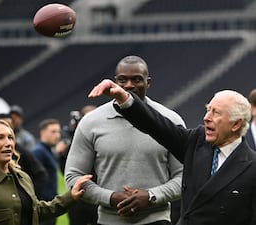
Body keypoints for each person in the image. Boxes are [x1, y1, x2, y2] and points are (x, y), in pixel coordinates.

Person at [88, 79, 256, 225]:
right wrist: (124, 98)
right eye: (208, 109)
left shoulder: (252, 166)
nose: (206, 117)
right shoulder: (196, 142)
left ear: (236, 124)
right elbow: (157, 125)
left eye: (216, 112)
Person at [65, 56, 184, 225]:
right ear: (115, 82)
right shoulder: (91, 122)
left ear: (148, 82)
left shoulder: (170, 120)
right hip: (109, 221)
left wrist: (151, 196)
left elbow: (185, 176)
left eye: (136, 79)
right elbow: (73, 177)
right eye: (123, 80)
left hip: (156, 220)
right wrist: (111, 197)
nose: (129, 85)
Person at [0, 119, 92, 225]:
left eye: (10, 137)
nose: (8, 143)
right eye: (0, 138)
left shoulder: (22, 177)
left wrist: (71, 196)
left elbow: (36, 211)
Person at [0, 113, 48, 195]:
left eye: (9, 125)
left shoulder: (21, 152)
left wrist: (27, 196)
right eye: (0, 137)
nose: (6, 129)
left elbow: (40, 175)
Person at [32, 118, 61, 225]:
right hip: (43, 206)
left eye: (58, 131)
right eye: (53, 132)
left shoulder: (48, 150)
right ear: (43, 133)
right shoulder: (38, 152)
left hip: (49, 205)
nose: (57, 135)